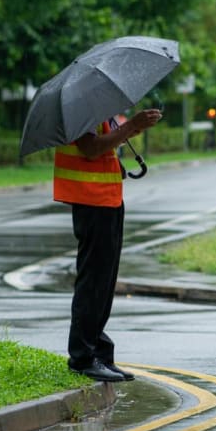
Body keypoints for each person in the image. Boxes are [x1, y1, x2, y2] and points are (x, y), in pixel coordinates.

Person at [53, 108, 163, 382]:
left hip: (107, 199)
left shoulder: (99, 110)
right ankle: (82, 357)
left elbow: (105, 146)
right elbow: (90, 149)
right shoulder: (80, 111)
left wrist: (133, 128)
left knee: (104, 282)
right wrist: (131, 126)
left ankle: (99, 352)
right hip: (91, 200)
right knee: (93, 282)